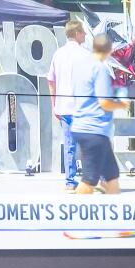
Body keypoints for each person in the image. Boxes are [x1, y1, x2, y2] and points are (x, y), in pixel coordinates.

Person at [70, 34, 130, 196]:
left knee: (112, 175)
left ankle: (115, 217)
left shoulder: (80, 67)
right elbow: (104, 102)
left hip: (83, 127)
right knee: (89, 179)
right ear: (109, 50)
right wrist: (121, 104)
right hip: (94, 129)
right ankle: (72, 218)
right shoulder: (100, 68)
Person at [46, 19, 89, 192]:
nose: (85, 35)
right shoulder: (85, 55)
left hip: (63, 106)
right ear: (77, 34)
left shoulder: (58, 54)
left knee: (69, 145)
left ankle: (70, 181)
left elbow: (51, 81)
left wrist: (53, 104)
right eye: (83, 32)